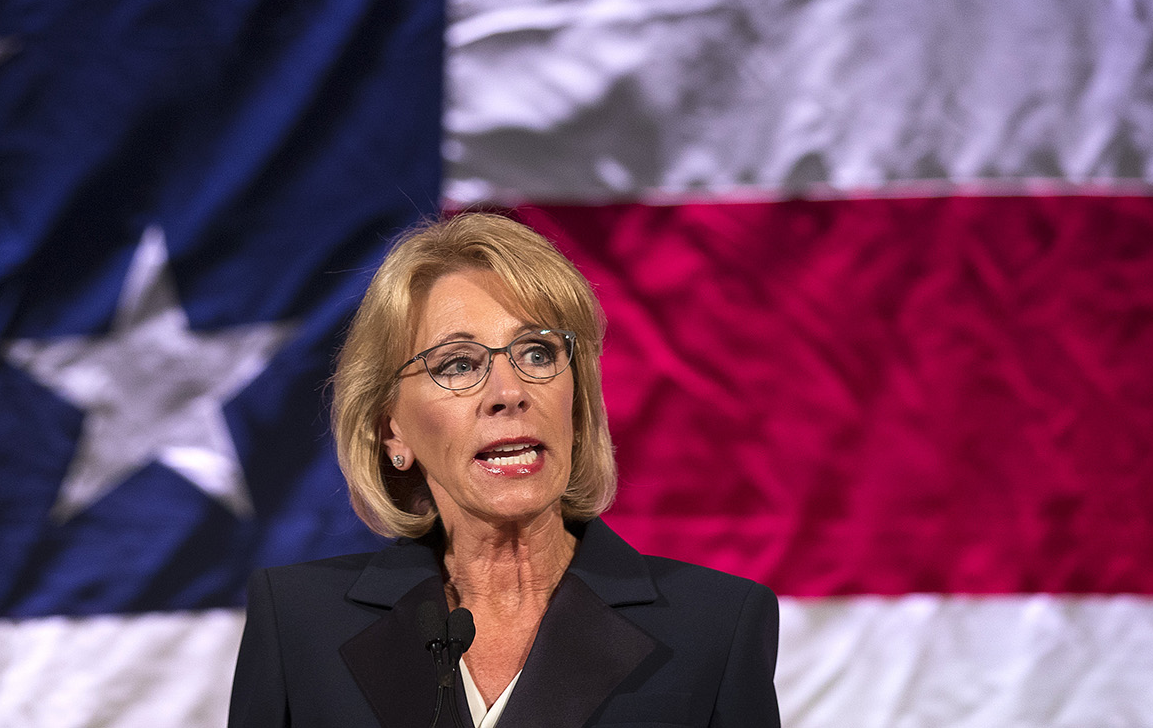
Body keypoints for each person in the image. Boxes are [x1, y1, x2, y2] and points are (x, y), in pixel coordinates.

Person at [228, 212, 780, 728]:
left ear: (576, 402)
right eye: (458, 364)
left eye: (537, 353)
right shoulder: (299, 623)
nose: (509, 392)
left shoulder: (716, 625)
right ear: (392, 430)